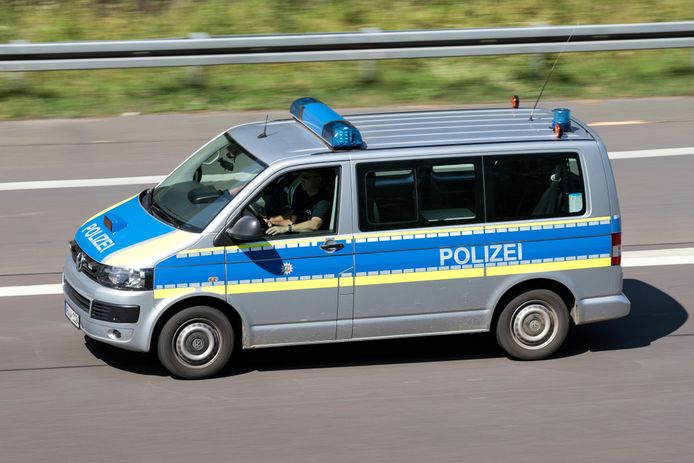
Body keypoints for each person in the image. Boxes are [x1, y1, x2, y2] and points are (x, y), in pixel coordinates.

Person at [265, 169, 333, 235]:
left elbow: (314, 225)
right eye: (301, 176)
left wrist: (286, 229)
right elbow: (292, 221)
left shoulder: (323, 202)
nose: (301, 180)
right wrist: (271, 222)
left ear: (318, 179)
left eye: (305, 177)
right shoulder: (302, 196)